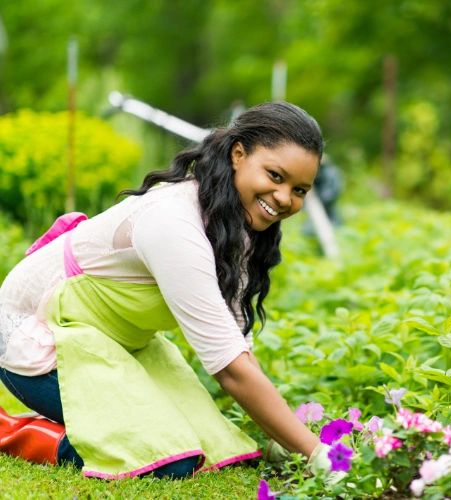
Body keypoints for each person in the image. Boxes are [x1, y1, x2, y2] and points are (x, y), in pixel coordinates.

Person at [0, 102, 330, 480]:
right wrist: (316, 454)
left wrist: (289, 439)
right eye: (275, 175)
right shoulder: (174, 223)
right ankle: (11, 432)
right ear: (239, 154)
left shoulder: (232, 225)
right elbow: (229, 369)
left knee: (209, 441)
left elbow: (235, 345)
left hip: (115, 342)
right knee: (170, 460)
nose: (285, 198)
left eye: (299, 189)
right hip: (37, 340)